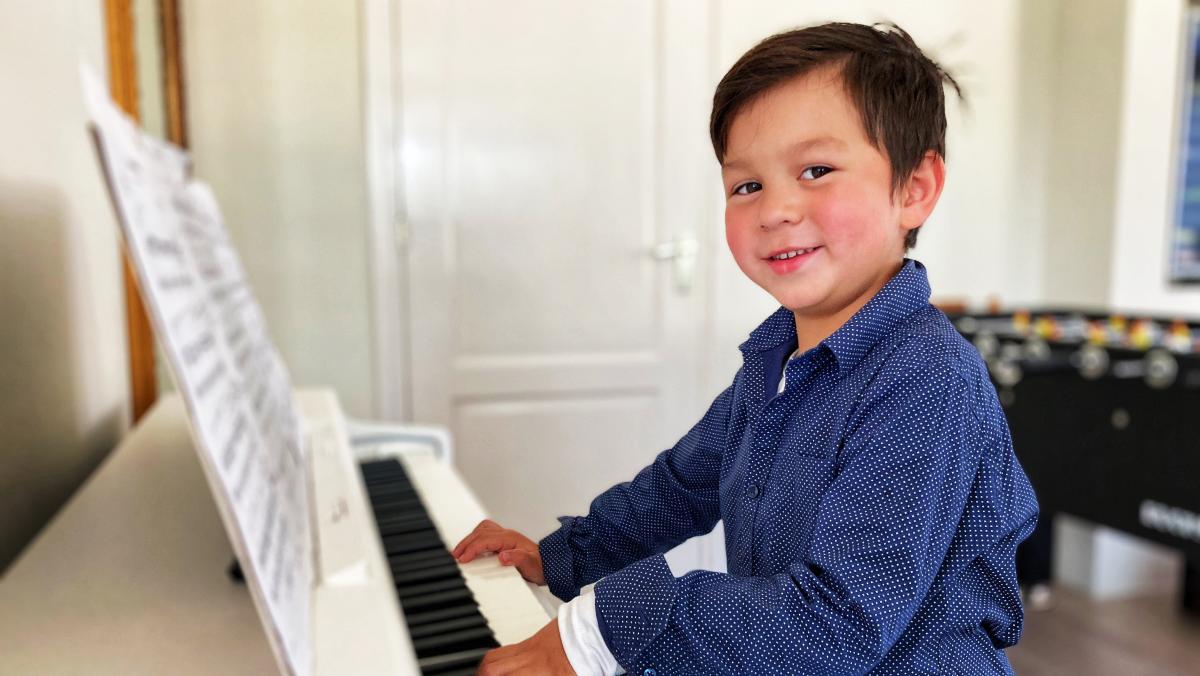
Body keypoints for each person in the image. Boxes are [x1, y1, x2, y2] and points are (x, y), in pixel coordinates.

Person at [453, 21, 1038, 675]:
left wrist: (602, 628)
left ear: (914, 189)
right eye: (746, 185)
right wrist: (560, 555)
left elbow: (836, 622)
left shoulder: (929, 381)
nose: (775, 209)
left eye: (816, 170)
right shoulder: (774, 366)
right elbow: (678, 489)